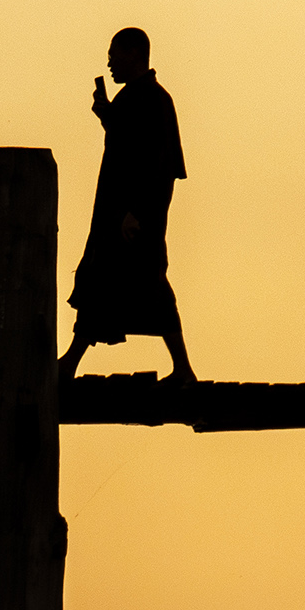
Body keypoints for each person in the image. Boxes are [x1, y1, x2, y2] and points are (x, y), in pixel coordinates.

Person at [59, 27, 194, 382]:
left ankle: (182, 368)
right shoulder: (134, 97)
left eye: (114, 54)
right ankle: (70, 361)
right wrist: (107, 114)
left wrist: (137, 212)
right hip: (118, 212)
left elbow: (157, 164)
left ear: (134, 54)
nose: (109, 63)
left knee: (145, 283)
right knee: (104, 281)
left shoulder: (153, 99)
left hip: (135, 216)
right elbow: (127, 143)